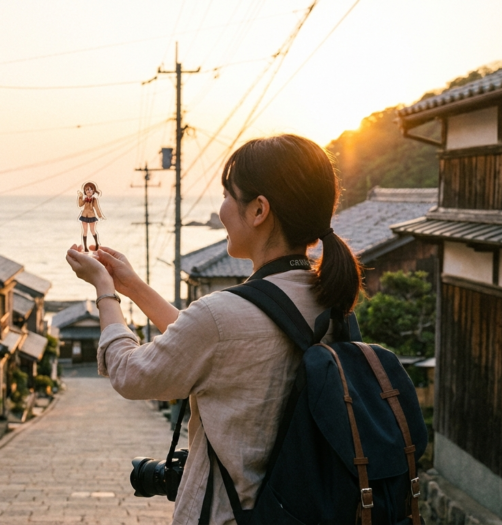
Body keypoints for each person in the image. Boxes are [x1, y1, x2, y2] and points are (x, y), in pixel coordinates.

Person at [65, 134, 362, 524]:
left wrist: (105, 292)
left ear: (259, 210)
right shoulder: (329, 302)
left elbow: (131, 373)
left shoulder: (226, 316)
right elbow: (214, 349)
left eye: (227, 194)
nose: (220, 209)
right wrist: (132, 285)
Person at [77, 181, 105, 252]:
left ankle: (97, 243)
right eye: (87, 189)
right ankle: (85, 247)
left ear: (93, 191)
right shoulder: (85, 199)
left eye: (90, 189)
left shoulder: (94, 199)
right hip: (84, 215)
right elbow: (80, 205)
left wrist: (100, 216)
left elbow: (96, 207)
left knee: (92, 230)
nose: (88, 191)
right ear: (85, 191)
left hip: (91, 216)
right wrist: (80, 197)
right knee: (85, 231)